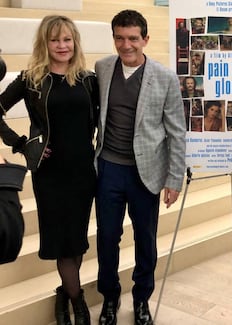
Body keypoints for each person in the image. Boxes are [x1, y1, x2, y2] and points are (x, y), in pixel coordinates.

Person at [0, 15, 98, 325]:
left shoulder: (88, 78)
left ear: (75, 42)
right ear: (45, 43)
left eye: (67, 39)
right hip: (49, 171)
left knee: (77, 238)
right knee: (61, 240)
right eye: (55, 39)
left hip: (83, 170)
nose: (62, 45)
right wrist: (21, 144)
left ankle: (65, 294)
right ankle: (77, 303)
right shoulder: (31, 79)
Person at [94, 10, 186, 325]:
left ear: (145, 39)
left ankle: (141, 299)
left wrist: (174, 178)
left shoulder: (164, 77)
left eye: (133, 38)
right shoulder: (103, 68)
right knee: (107, 237)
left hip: (145, 173)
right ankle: (109, 298)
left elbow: (176, 132)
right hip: (108, 168)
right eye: (120, 37)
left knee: (145, 240)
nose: (126, 45)